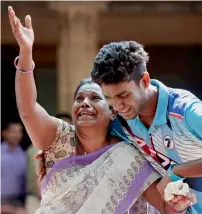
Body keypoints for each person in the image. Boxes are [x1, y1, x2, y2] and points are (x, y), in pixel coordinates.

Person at [8, 6, 195, 214]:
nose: (85, 103)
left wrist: (177, 202)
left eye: (96, 98)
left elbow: (163, 205)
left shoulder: (129, 154)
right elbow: (27, 109)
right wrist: (25, 53)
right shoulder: (59, 138)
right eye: (79, 98)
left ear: (113, 111)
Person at [91, 41, 202, 213]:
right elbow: (85, 138)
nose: (117, 105)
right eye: (109, 97)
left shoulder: (186, 110)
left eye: (123, 95)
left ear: (145, 80)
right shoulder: (120, 124)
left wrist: (176, 172)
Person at [1, 121, 26, 214]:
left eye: (19, 132)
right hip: (2, 201)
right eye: (13, 132)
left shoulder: (23, 154)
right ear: (4, 133)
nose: (17, 135)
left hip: (20, 202)